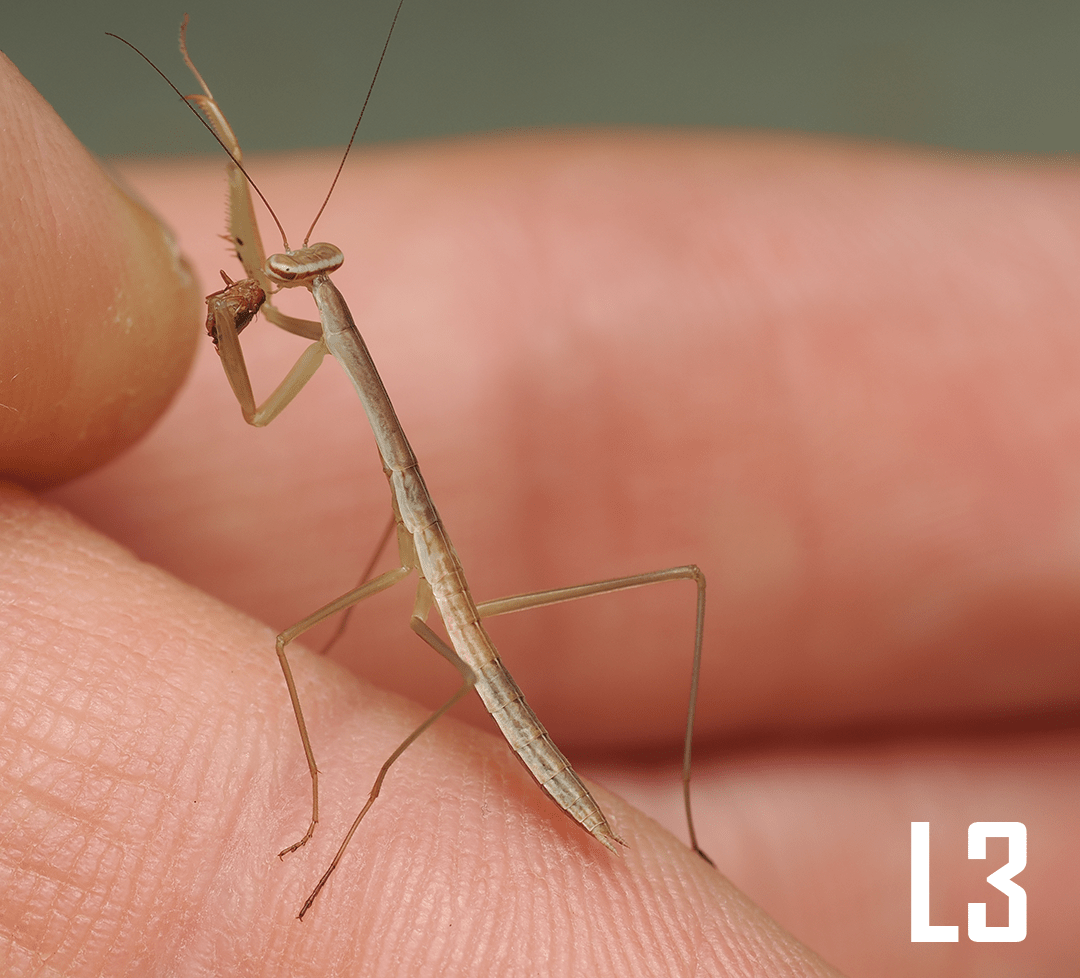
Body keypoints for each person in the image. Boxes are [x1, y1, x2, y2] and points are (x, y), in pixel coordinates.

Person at [1, 48, 1074, 976]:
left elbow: (254, 410)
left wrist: (351, 802)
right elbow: (272, 357)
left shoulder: (312, 329)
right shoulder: (320, 330)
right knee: (389, 587)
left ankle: (365, 805)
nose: (270, 274)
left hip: (469, 631)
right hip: (429, 552)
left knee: (310, 643)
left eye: (287, 270)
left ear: (311, 282)